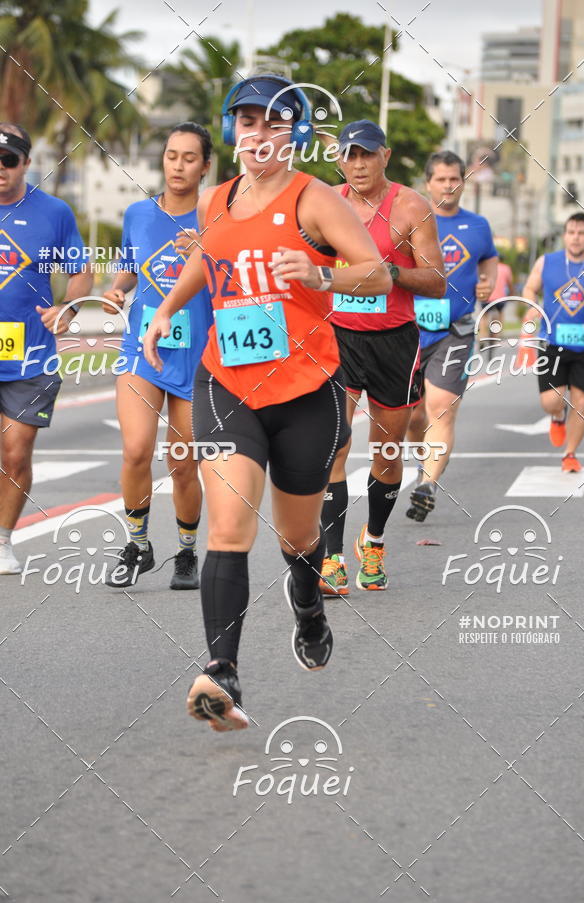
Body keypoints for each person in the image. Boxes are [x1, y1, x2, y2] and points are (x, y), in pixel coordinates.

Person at [143, 75, 392, 730]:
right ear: (233, 131)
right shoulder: (216, 201)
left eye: (273, 122)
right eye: (246, 121)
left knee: (298, 535)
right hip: (226, 383)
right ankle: (221, 671)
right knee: (230, 525)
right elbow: (209, 258)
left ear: (296, 134)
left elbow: (375, 270)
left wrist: (320, 273)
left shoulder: (316, 200)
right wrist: (166, 307)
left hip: (308, 391)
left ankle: (307, 600)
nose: (258, 133)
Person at [317, 120, 445, 594]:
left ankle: (372, 542)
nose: (357, 164)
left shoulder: (412, 207)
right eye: (349, 155)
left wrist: (388, 271)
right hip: (340, 338)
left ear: (384, 156)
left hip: (394, 341)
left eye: (366, 154)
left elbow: (436, 280)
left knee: (386, 452)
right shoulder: (326, 204)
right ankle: (331, 559)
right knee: (335, 442)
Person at [102, 123, 214, 590]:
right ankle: (138, 543)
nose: (179, 165)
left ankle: (186, 551)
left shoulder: (217, 221)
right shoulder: (138, 214)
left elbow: (236, 281)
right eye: (172, 155)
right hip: (142, 347)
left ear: (205, 166)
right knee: (135, 449)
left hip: (196, 354)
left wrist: (207, 253)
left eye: (190, 157)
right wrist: (115, 289)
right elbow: (131, 267)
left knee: (183, 462)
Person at [0, 123, 91, 575]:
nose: (0, 169)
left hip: (30, 354)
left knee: (15, 451)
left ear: (26, 164)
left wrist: (68, 310)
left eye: (9, 160)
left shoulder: (52, 213)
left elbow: (80, 272)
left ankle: (2, 540)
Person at [405, 150, 498, 522]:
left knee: (441, 408)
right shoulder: (411, 219)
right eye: (440, 179)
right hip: (408, 331)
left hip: (455, 331)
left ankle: (427, 484)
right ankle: (422, 461)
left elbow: (488, 257)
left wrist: (487, 283)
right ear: (428, 183)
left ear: (463, 181)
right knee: (412, 418)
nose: (448, 185)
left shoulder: (478, 226)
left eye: (454, 178)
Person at [522, 212, 584, 472]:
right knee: (551, 402)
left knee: (582, 402)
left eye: (582, 233)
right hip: (552, 344)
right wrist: (532, 306)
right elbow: (530, 289)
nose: (576, 238)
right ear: (564, 235)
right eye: (571, 232)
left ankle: (570, 453)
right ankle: (557, 416)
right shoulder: (547, 262)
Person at [478, 254, 514, 351]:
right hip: (500, 299)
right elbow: (510, 284)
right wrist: (511, 294)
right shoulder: (506, 268)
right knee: (501, 314)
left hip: (486, 297)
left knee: (484, 317)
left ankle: (482, 337)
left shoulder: (486, 268)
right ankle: (497, 334)